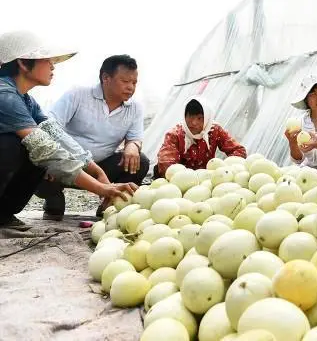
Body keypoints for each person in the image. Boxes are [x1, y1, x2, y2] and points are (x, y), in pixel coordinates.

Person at [0, 30, 136, 226]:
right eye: (47, 60)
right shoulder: (5, 95)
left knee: (40, 143)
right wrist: (99, 188)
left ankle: (3, 214)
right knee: (18, 145)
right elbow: (44, 148)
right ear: (23, 63)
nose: (53, 66)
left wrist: (97, 171)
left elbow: (56, 136)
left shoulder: (26, 101)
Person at [36, 54, 148, 219]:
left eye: (134, 82)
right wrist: (52, 159)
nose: (131, 87)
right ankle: (53, 198)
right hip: (66, 164)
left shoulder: (135, 108)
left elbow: (135, 137)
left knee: (140, 161)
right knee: (38, 162)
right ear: (106, 78)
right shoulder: (78, 94)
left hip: (102, 167)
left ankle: (111, 202)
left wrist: (133, 146)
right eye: (125, 81)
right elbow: (50, 127)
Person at [155, 95, 247, 178]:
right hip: (182, 180)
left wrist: (225, 170)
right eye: (190, 117)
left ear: (207, 118)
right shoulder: (175, 135)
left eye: (200, 118)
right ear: (184, 116)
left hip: (207, 178)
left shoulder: (214, 130)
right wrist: (186, 179)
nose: (194, 123)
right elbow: (167, 164)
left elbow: (238, 150)